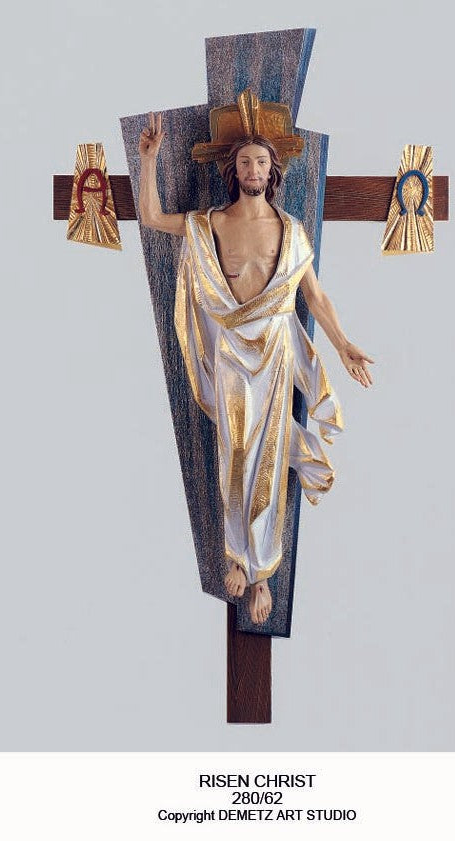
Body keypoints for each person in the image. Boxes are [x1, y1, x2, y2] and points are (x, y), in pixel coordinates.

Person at [138, 111, 374, 625]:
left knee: (267, 453)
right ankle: (236, 555)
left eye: (261, 162)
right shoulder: (213, 224)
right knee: (235, 452)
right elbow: (153, 218)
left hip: (273, 354)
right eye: (245, 162)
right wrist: (149, 159)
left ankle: (261, 570)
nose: (253, 169)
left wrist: (343, 344)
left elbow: (315, 296)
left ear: (272, 171)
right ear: (234, 171)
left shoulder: (289, 232)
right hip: (229, 352)